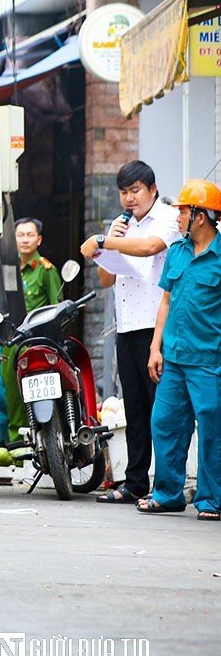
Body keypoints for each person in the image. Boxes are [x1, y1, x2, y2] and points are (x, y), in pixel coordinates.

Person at [80, 161, 181, 504]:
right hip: (126, 326)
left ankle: (167, 486)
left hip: (157, 327)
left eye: (135, 191)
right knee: (134, 409)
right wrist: (104, 248)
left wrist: (106, 242)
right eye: (123, 192)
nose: (128, 199)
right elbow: (107, 279)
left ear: (152, 189)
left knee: (161, 410)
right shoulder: (119, 225)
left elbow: (151, 248)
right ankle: (135, 481)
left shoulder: (168, 217)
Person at [137, 179, 221, 521]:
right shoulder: (177, 252)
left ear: (200, 216)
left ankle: (211, 500)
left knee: (213, 431)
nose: (178, 217)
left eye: (184, 211)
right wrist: (155, 348)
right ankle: (168, 494)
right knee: (165, 424)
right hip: (173, 358)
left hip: (209, 361)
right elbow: (166, 301)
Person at [0, 218, 64, 446]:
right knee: (11, 394)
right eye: (20, 235)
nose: (25, 239)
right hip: (12, 341)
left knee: (39, 393)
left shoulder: (47, 271)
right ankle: (16, 444)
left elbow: (58, 307)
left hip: (37, 343)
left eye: (30, 235)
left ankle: (46, 442)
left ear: (39, 240)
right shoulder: (7, 269)